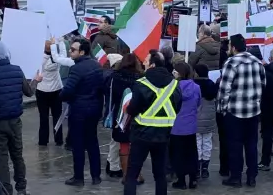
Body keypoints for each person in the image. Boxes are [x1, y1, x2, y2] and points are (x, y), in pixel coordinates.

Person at [0, 41, 37, 195]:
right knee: (17, 155)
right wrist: (36, 80)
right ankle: (21, 188)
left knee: (2, 158)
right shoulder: (17, 70)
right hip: (15, 121)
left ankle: (5, 190)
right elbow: (29, 93)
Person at [124, 50, 182, 195]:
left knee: (132, 175)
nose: (143, 62)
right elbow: (178, 106)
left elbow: (132, 109)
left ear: (152, 65)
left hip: (141, 135)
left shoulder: (141, 83)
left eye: (146, 60)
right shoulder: (174, 84)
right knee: (160, 175)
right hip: (164, 136)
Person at [217, 34, 266, 188]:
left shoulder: (231, 63)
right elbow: (263, 84)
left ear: (234, 47)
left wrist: (222, 109)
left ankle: (236, 177)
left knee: (235, 145)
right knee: (252, 145)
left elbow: (224, 89)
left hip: (235, 112)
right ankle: (252, 176)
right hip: (253, 110)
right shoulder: (257, 62)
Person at [61, 37, 106, 186]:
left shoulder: (77, 68)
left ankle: (79, 178)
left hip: (80, 111)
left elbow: (68, 90)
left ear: (82, 52)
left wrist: (62, 96)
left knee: (78, 144)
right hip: (94, 109)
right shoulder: (96, 65)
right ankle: (96, 176)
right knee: (92, 142)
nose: (70, 51)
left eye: (73, 50)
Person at [104, 53, 143, 181]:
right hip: (137, 115)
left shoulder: (115, 78)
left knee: (123, 145)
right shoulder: (141, 79)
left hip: (119, 116)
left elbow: (110, 96)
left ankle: (126, 175)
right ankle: (137, 174)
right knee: (136, 146)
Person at [170, 61, 201, 190]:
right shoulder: (196, 87)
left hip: (176, 126)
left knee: (178, 154)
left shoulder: (172, 87)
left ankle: (181, 180)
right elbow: (199, 103)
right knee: (192, 153)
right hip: (191, 126)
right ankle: (193, 179)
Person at [36, 40, 64, 147]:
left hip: (42, 89)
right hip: (57, 89)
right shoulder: (57, 58)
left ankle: (43, 140)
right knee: (57, 116)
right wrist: (60, 42)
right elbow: (63, 54)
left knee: (43, 117)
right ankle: (59, 139)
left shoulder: (39, 58)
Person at [193, 64, 217, 179]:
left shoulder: (194, 85)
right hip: (209, 119)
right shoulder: (211, 84)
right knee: (207, 142)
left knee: (197, 143)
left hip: (196, 119)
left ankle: (197, 167)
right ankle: (205, 168)